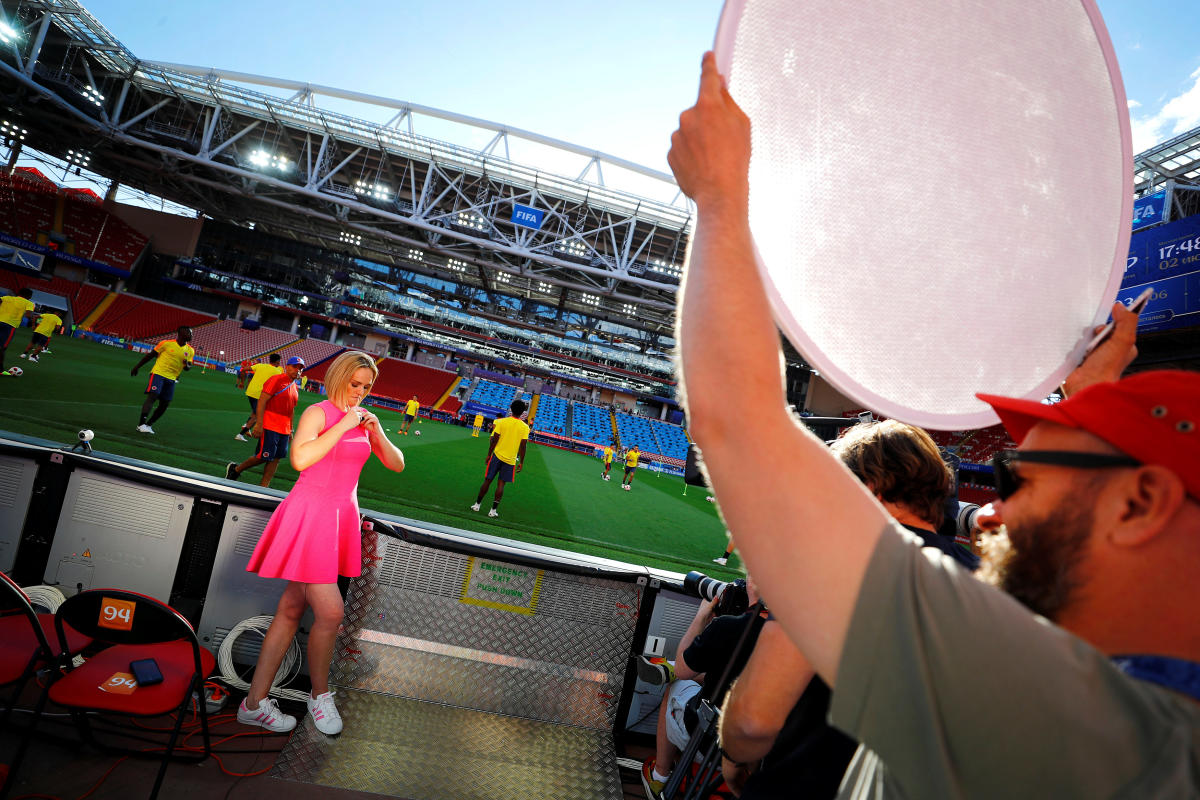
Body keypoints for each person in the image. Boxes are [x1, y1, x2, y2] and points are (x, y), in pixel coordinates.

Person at [668, 51, 1200, 798]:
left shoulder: (1039, 695)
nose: (987, 511)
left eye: (1022, 477)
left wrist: (719, 197)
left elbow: (735, 420)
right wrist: (1091, 401)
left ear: (1139, 505)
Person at [237, 350, 404, 735]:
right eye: (354, 383)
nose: (359, 392)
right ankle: (320, 695)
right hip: (311, 516)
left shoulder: (364, 422)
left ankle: (253, 703)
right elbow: (300, 459)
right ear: (338, 378)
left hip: (339, 518)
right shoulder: (320, 412)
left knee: (292, 608)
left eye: (366, 386)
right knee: (329, 613)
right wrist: (345, 422)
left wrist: (376, 430)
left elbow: (396, 464)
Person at [639, 581, 765, 800]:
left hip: (707, 743)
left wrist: (701, 619)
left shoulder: (728, 627)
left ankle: (659, 776)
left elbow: (683, 667)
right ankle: (667, 668)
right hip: (760, 756)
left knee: (677, 682)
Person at [226, 356, 306, 488]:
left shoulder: (295, 388)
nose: (297, 370)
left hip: (284, 428)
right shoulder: (276, 380)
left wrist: (291, 430)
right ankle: (236, 470)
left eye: (300, 368)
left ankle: (264, 487)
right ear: (287, 366)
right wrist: (259, 423)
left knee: (276, 458)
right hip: (270, 423)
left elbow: (291, 410)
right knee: (264, 456)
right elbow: (262, 401)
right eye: (294, 367)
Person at [471, 399, 529, 518]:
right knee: (501, 485)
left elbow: (494, 440)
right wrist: (521, 462)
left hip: (497, 455)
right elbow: (523, 447)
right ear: (523, 412)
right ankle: (492, 511)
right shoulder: (525, 427)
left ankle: (477, 505)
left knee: (488, 480)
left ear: (511, 409)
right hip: (511, 460)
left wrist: (488, 454)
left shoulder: (501, 422)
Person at [130, 326, 194, 434]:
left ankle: (149, 425)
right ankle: (141, 424)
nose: (191, 335)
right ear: (181, 333)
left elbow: (188, 367)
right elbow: (151, 355)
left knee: (165, 403)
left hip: (172, 378)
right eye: (189, 333)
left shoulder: (190, 350)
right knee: (153, 395)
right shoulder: (166, 343)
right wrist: (137, 366)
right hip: (158, 373)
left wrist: (188, 366)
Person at [237, 353, 283, 441]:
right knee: (258, 415)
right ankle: (241, 434)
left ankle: (246, 426)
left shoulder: (260, 365)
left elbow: (243, 369)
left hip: (250, 392)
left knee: (255, 412)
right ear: (277, 362)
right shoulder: (277, 372)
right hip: (260, 395)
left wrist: (242, 382)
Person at [0, 287, 35, 375]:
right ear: (29, 296)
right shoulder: (29, 303)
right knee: (2, 348)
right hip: (10, 326)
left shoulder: (7, 298)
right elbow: (28, 315)